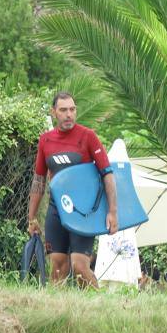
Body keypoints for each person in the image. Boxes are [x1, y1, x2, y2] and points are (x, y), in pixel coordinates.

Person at [27, 92, 118, 289]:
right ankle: (59, 314)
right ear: (54, 113)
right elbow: (39, 179)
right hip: (56, 209)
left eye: (72, 109)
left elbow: (107, 174)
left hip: (83, 211)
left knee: (80, 267)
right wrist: (32, 217)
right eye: (63, 110)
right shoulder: (46, 140)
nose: (69, 114)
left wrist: (112, 212)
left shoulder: (88, 136)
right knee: (58, 268)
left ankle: (98, 310)